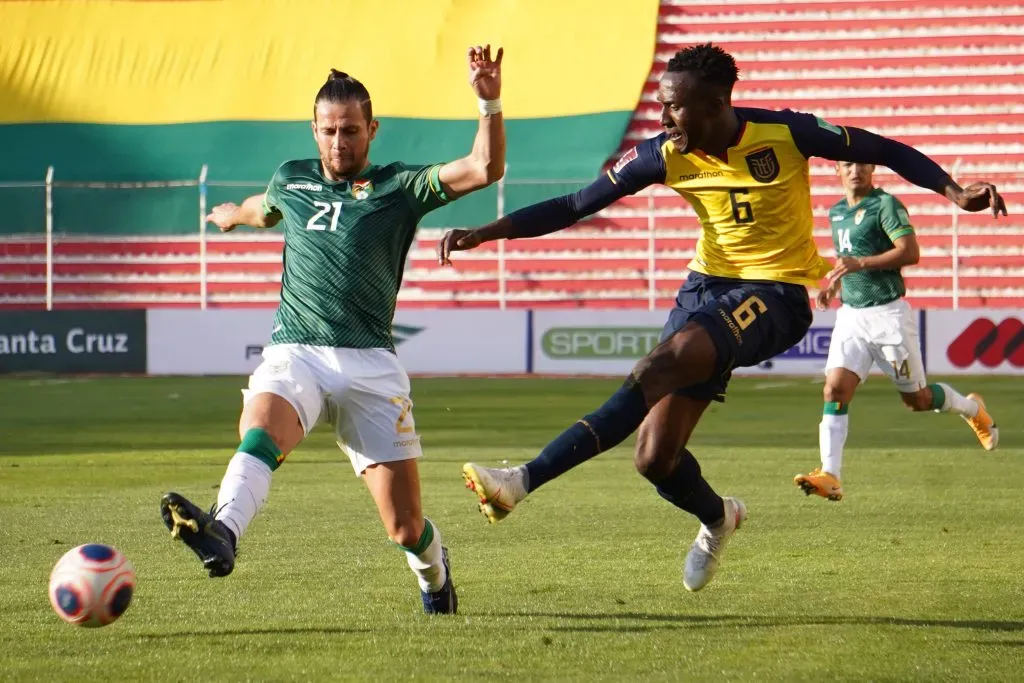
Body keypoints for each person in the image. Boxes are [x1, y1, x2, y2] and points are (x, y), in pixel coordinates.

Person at [438, 43, 1006, 593]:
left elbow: (884, 148)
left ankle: (522, 480)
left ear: (716, 106)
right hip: (703, 290)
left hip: (777, 294)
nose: (662, 116)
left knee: (659, 364)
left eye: (673, 105)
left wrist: (952, 190)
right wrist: (489, 231)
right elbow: (574, 204)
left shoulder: (786, 132)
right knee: (654, 459)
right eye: (662, 104)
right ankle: (718, 518)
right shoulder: (664, 152)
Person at [160, 45, 506, 615]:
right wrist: (231, 216)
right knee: (261, 432)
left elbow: (484, 168)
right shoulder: (291, 179)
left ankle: (436, 579)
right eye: (328, 131)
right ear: (314, 131)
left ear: (371, 130)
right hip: (296, 351)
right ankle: (223, 533)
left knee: (404, 527)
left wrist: (488, 98)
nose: (339, 142)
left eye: (350, 130)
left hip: (371, 365)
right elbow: (261, 209)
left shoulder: (401, 187)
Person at [794, 161, 998, 502]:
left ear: (872, 168)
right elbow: (848, 259)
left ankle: (973, 410)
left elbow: (910, 252)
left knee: (916, 400)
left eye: (861, 163)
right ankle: (831, 475)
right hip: (851, 316)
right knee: (834, 390)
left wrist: (863, 263)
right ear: (838, 172)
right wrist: (836, 288)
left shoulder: (885, 204)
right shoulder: (837, 212)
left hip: (888, 316)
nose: (855, 169)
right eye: (847, 164)